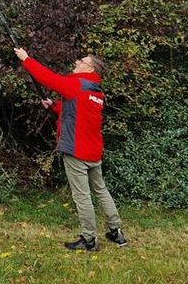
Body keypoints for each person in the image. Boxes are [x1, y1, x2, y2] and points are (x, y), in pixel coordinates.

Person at [15, 47, 128, 251]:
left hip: (77, 152)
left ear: (90, 68)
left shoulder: (77, 84)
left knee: (82, 196)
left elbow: (47, 78)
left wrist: (26, 59)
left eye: (81, 61)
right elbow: (78, 111)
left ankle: (89, 240)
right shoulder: (97, 92)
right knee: (101, 191)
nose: (76, 62)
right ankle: (116, 231)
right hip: (93, 151)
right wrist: (54, 106)